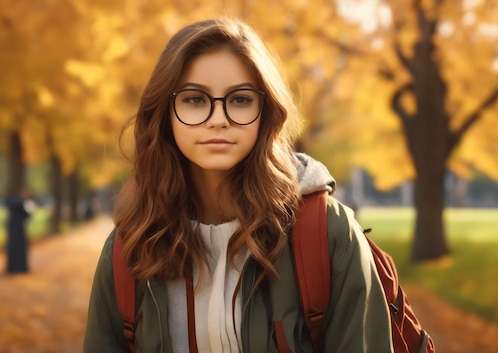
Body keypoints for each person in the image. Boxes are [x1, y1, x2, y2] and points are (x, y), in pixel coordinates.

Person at [84, 17, 393, 352]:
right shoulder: (130, 245)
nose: (218, 119)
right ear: (165, 113)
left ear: (266, 110)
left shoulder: (327, 232)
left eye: (240, 99)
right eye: (194, 99)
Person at [5, 188, 36, 274]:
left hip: (16, 228)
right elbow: (26, 214)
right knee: (16, 247)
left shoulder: (19, 202)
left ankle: (16, 267)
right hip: (17, 229)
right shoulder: (19, 202)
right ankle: (17, 267)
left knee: (16, 247)